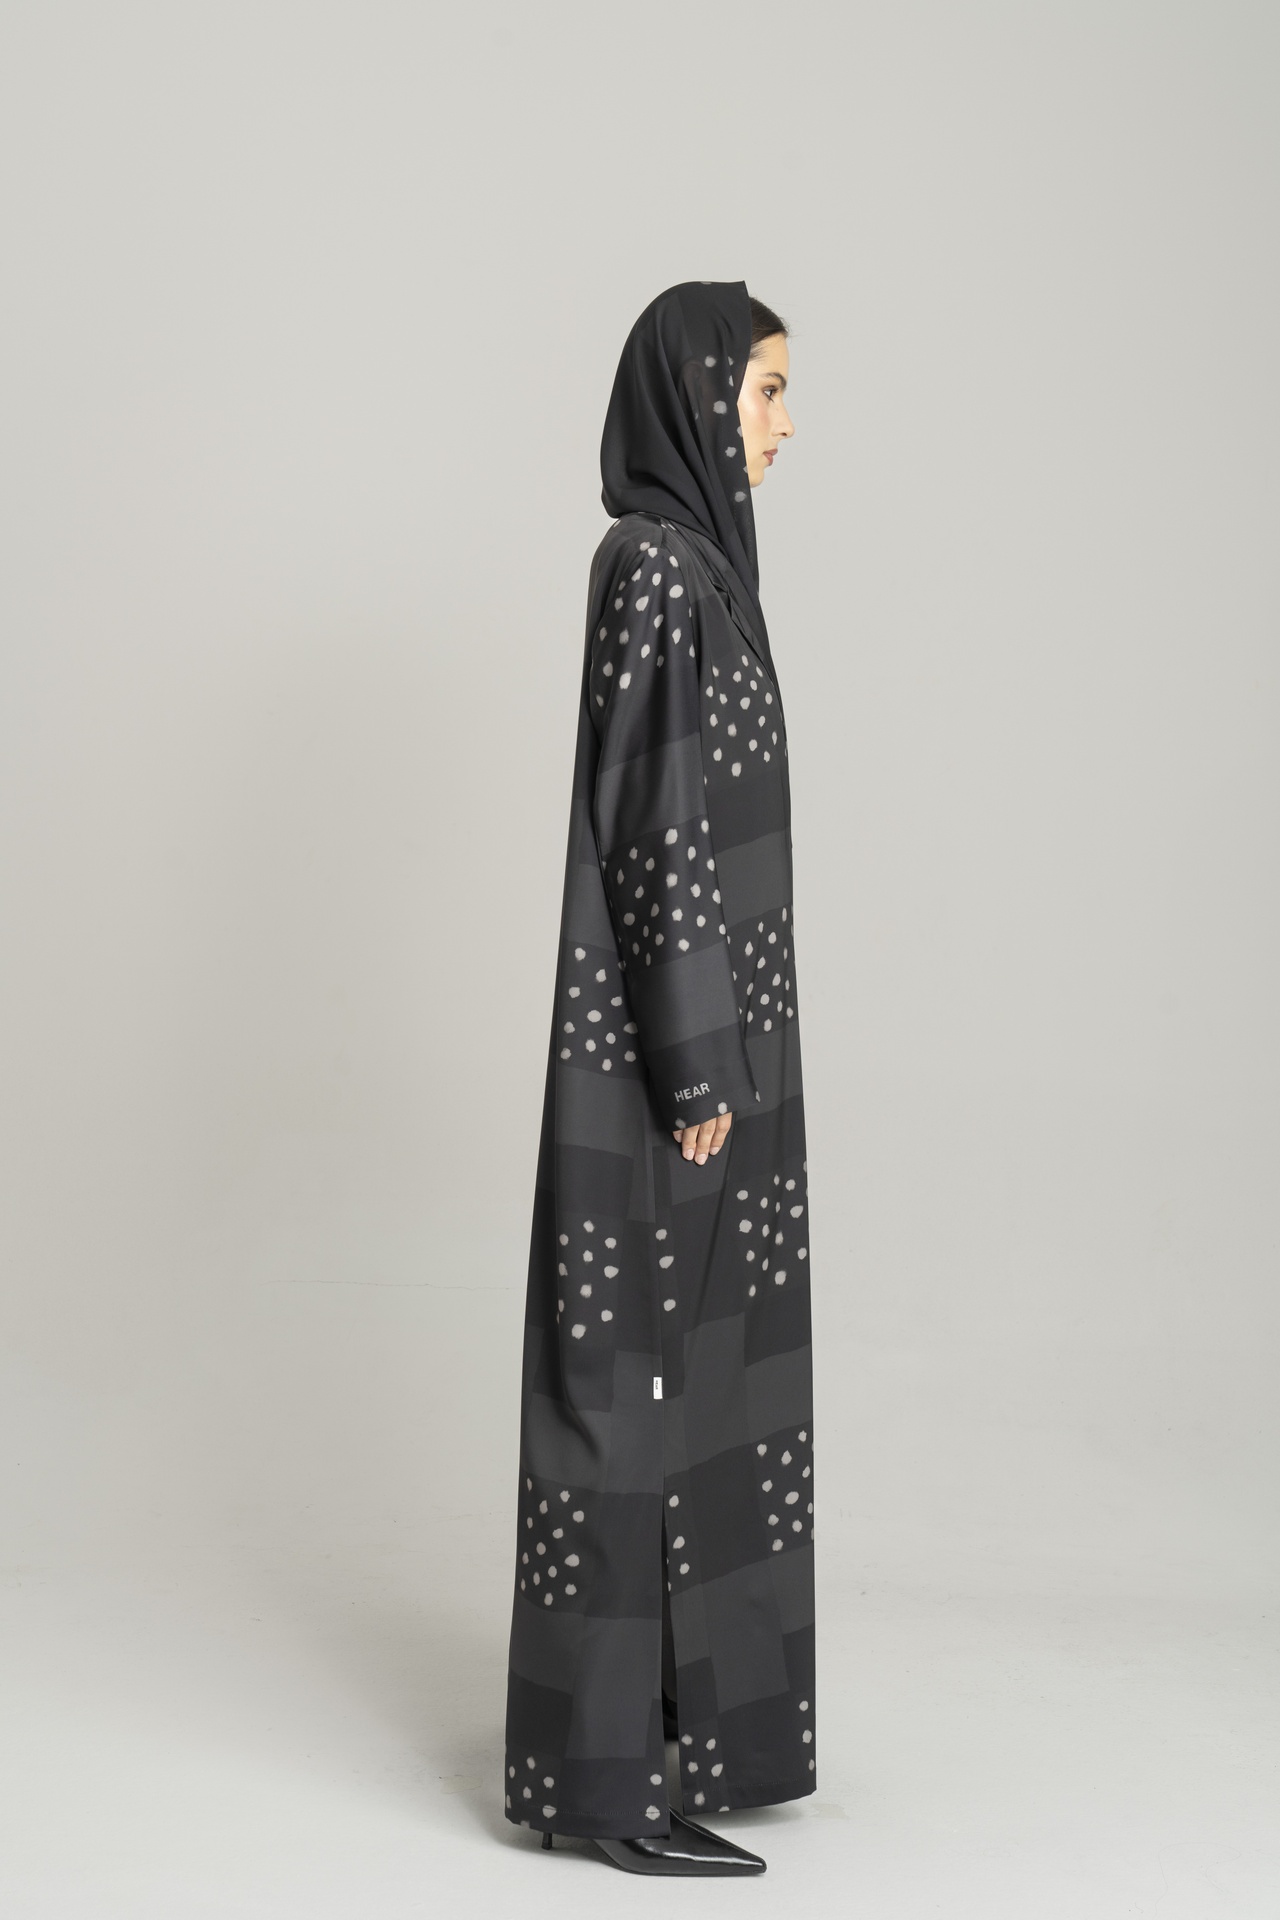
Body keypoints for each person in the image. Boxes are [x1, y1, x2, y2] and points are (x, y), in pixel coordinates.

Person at [503, 281, 813, 1877]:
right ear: (695, 402)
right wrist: (696, 1070)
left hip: (713, 1055)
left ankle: (681, 1738)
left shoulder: (701, 576)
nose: (785, 426)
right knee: (627, 1399)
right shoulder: (654, 571)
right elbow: (653, 826)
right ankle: (601, 1788)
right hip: (658, 1064)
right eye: (766, 392)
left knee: (698, 1392)